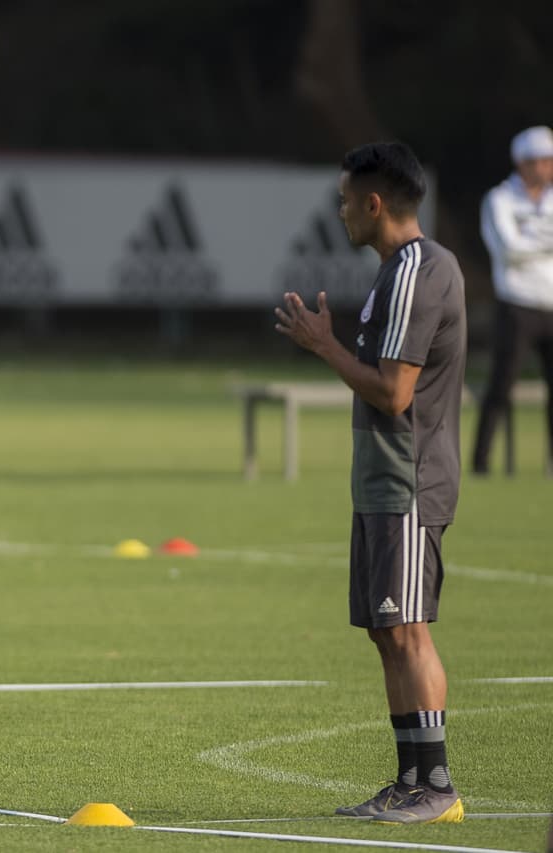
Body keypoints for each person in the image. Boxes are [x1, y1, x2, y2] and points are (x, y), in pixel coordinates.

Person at [274, 141, 467, 824]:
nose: (341, 210)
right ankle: (409, 781)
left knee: (408, 629)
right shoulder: (399, 270)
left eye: (346, 199)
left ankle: (435, 784)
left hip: (408, 477)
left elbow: (393, 392)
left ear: (374, 202)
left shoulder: (420, 268)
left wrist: (324, 345)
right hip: (383, 478)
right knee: (387, 630)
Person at [472, 125, 553, 475]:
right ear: (521, 163)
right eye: (537, 161)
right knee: (500, 388)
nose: (544, 168)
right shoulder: (499, 199)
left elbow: (522, 247)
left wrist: (531, 243)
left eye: (549, 160)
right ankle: (481, 463)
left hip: (551, 303)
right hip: (516, 304)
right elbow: (507, 250)